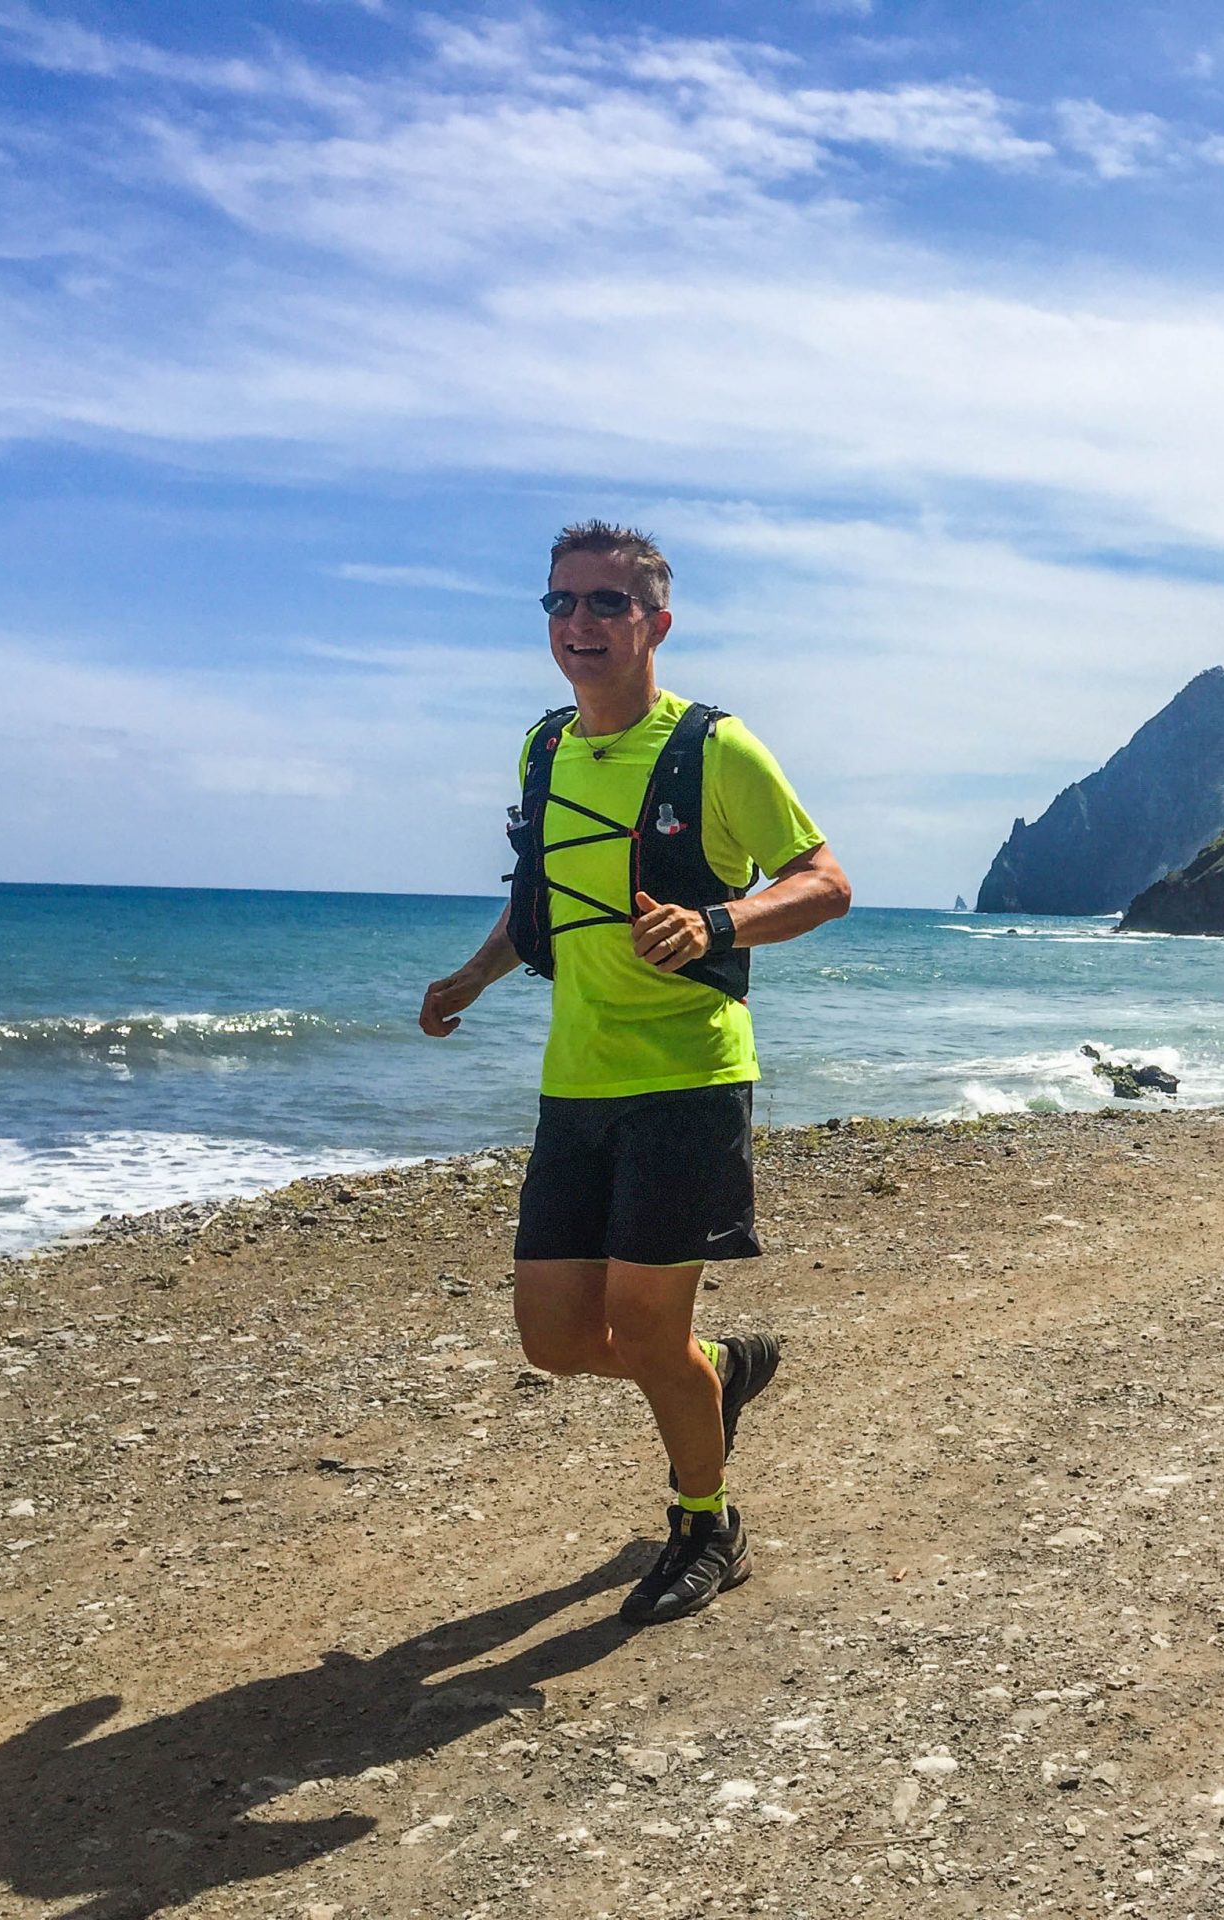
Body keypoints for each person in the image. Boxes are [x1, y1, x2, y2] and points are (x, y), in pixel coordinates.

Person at [419, 521, 850, 1624]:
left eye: (606, 604)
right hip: (578, 1086)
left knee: (647, 1335)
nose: (579, 624)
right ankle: (716, 1373)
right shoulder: (544, 749)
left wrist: (716, 922)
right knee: (557, 1340)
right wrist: (471, 978)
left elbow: (824, 882)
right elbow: (540, 901)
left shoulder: (715, 748)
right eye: (560, 603)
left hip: (688, 1082)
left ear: (655, 621)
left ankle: (705, 1520)